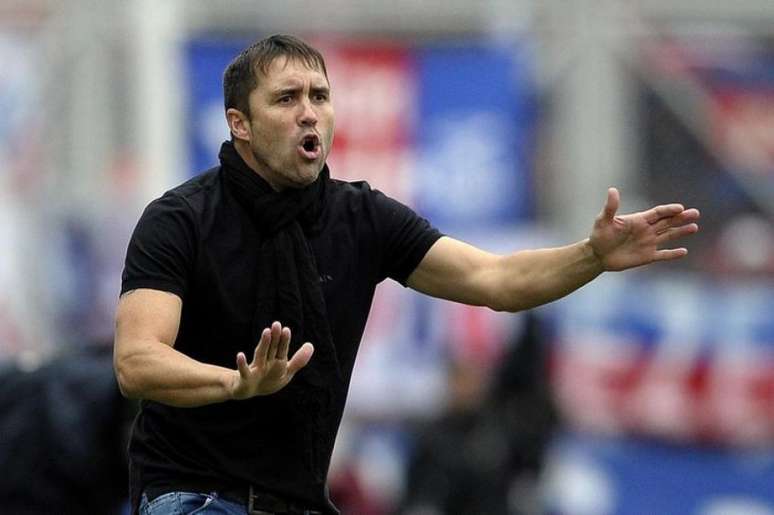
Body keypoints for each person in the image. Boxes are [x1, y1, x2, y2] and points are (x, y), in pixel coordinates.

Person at [113, 34, 700, 515]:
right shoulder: (179, 219)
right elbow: (136, 361)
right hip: (192, 497)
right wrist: (233, 385)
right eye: (286, 99)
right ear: (239, 124)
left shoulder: (361, 217)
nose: (309, 112)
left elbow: (496, 282)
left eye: (320, 95)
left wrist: (591, 257)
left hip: (296, 501)